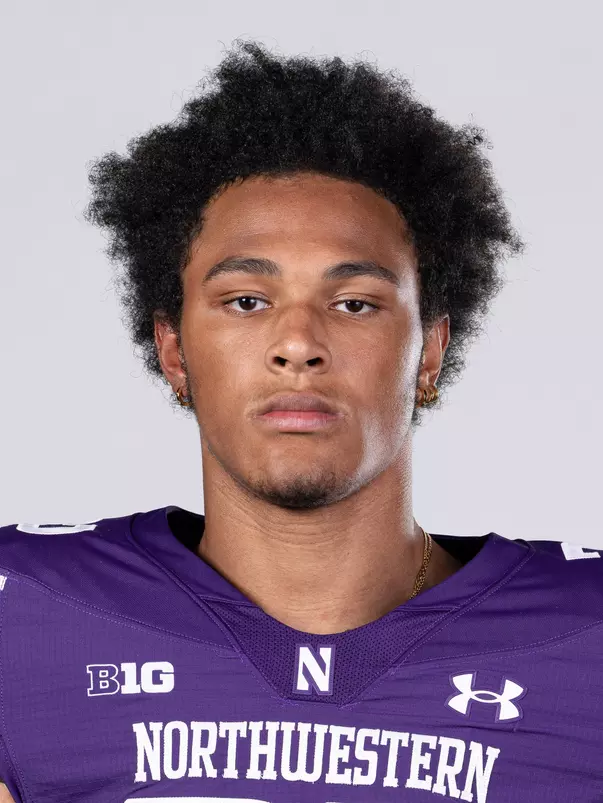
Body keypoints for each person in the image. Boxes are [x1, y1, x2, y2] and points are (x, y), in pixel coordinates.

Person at [0, 40, 601, 803]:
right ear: (174, 348)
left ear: (429, 350)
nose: (297, 345)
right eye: (246, 301)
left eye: (354, 303)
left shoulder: (584, 638)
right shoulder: (29, 616)